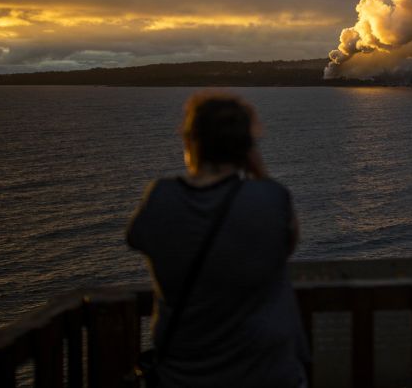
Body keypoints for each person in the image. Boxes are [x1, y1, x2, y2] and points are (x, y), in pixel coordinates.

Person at [127, 92, 309, 387]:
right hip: (267, 374)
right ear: (246, 147)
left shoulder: (161, 197)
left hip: (183, 377)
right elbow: (287, 243)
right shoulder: (270, 198)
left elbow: (137, 239)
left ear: (190, 141)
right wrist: (258, 169)